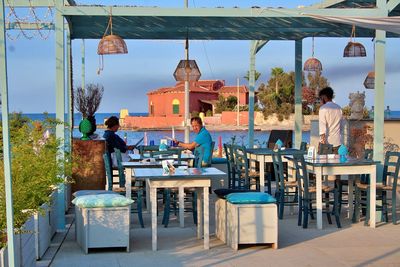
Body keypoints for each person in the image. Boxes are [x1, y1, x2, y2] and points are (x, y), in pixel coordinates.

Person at [318, 87, 342, 154]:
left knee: (322, 163)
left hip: (326, 143)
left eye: (321, 98)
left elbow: (322, 128)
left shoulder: (323, 109)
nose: (320, 100)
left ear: (324, 97)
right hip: (337, 142)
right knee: (335, 163)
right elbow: (341, 126)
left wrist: (322, 144)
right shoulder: (339, 108)